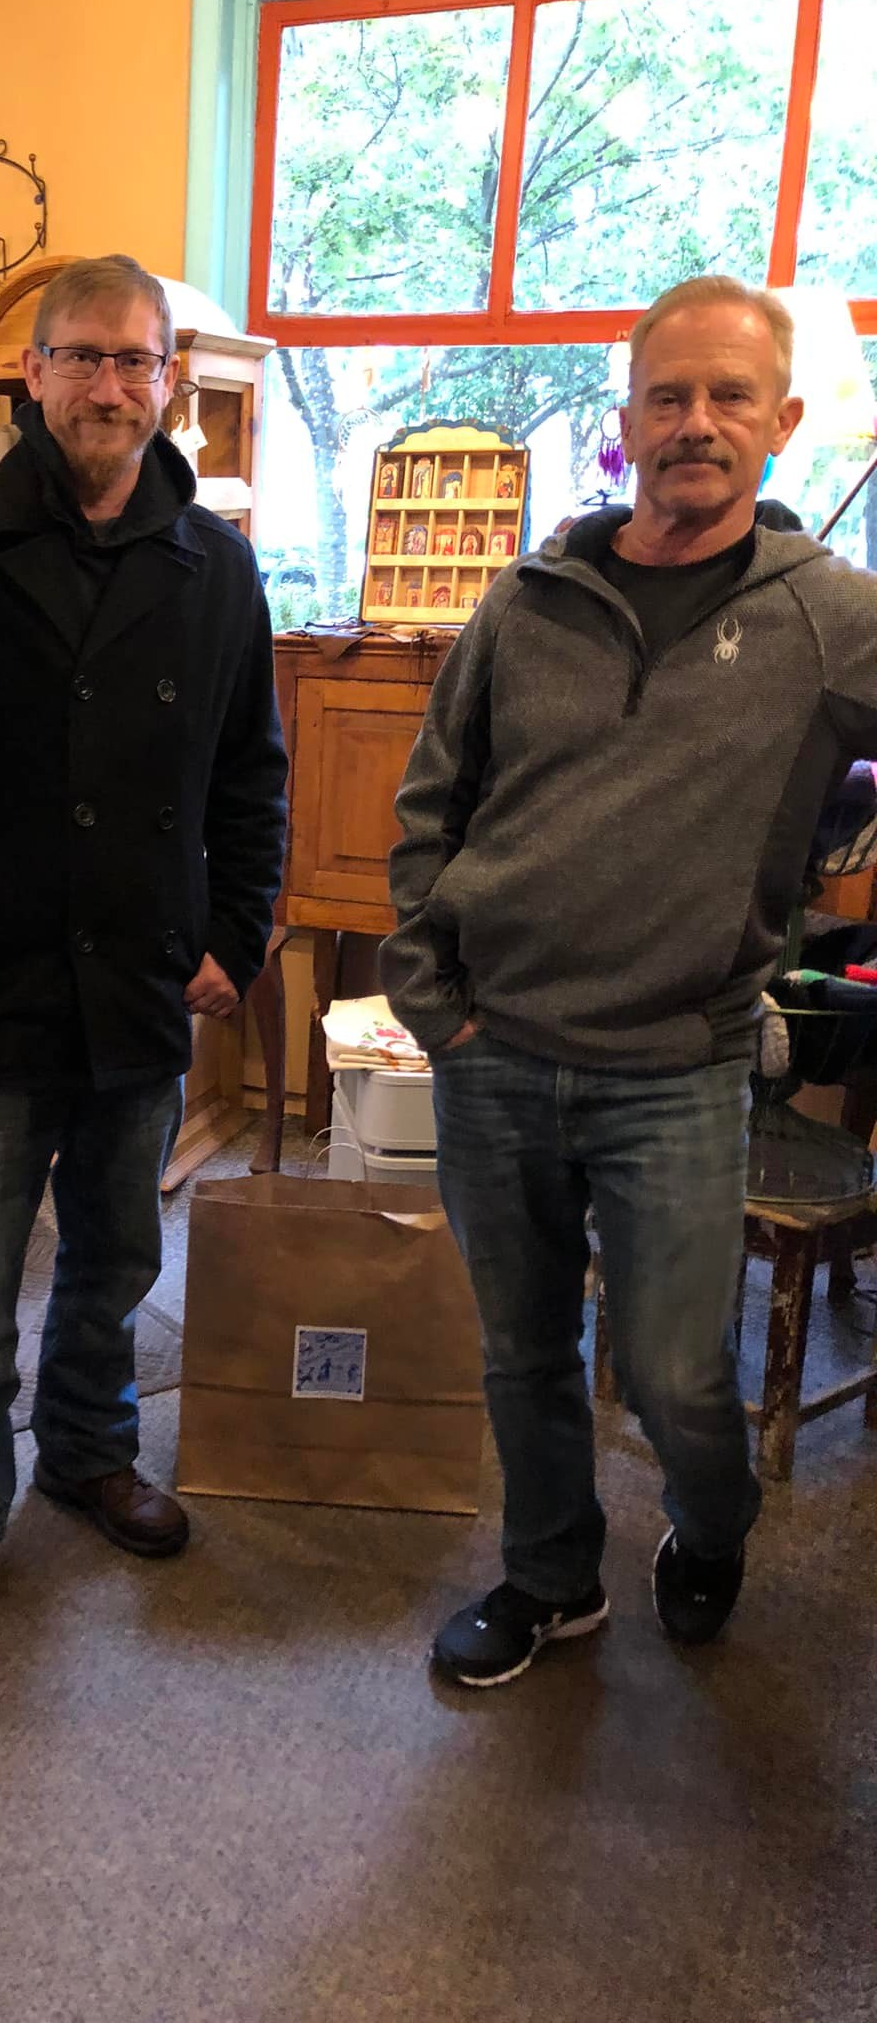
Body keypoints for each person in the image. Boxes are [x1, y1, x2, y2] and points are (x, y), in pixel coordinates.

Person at [380, 274, 877, 1687]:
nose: (696, 422)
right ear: (629, 422)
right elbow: (432, 801)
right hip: (494, 1050)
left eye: (729, 395)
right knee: (524, 1352)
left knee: (673, 1376)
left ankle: (711, 1531)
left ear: (782, 421)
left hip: (677, 1066)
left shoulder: (832, 618)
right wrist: (433, 999)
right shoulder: (527, 602)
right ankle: (552, 1579)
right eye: (670, 396)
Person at [0, 254, 288, 1655]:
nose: (108, 384)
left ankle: (91, 1453)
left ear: (170, 384)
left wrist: (235, 936)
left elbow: (252, 777)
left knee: (115, 1259)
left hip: (143, 983)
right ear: (32, 375)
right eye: (82, 356)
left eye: (133, 360)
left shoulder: (216, 565)